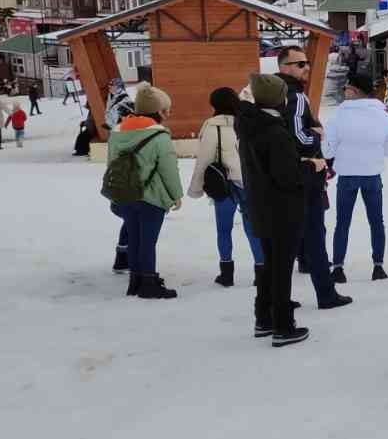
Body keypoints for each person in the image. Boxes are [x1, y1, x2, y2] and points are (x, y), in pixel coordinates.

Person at [236, 74, 318, 347]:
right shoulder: (274, 131)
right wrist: (310, 166)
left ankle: (264, 317)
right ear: (280, 98)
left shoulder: (250, 124)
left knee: (270, 265)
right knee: (281, 268)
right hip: (282, 208)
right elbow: (288, 177)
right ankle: (283, 325)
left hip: (260, 204)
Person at [276, 46, 352, 310]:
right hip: (306, 177)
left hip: (283, 177)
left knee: (288, 239)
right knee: (314, 235)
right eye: (300, 64)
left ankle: (280, 297)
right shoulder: (296, 97)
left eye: (307, 63)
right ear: (284, 66)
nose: (306, 67)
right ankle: (325, 293)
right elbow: (298, 135)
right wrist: (317, 135)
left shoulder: (275, 95)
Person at [107, 83, 185, 299]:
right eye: (166, 109)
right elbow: (168, 169)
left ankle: (136, 281)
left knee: (134, 238)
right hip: (151, 198)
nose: (168, 113)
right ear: (158, 111)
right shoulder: (159, 136)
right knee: (148, 242)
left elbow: (111, 164)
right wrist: (176, 194)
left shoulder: (117, 132)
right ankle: (148, 283)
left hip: (126, 195)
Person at [187, 87, 264, 288]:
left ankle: (226, 273)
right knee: (253, 229)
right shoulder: (250, 123)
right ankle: (261, 271)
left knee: (224, 229)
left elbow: (204, 160)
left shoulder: (213, 127)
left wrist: (196, 188)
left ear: (214, 105)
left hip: (225, 185)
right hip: (249, 183)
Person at [324, 73, 388, 284]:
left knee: (342, 223)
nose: (344, 91)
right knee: (376, 221)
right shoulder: (382, 116)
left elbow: (327, 151)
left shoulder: (338, 116)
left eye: (346, 87)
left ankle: (338, 266)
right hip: (372, 175)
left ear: (354, 91)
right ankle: (378, 266)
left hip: (346, 176)